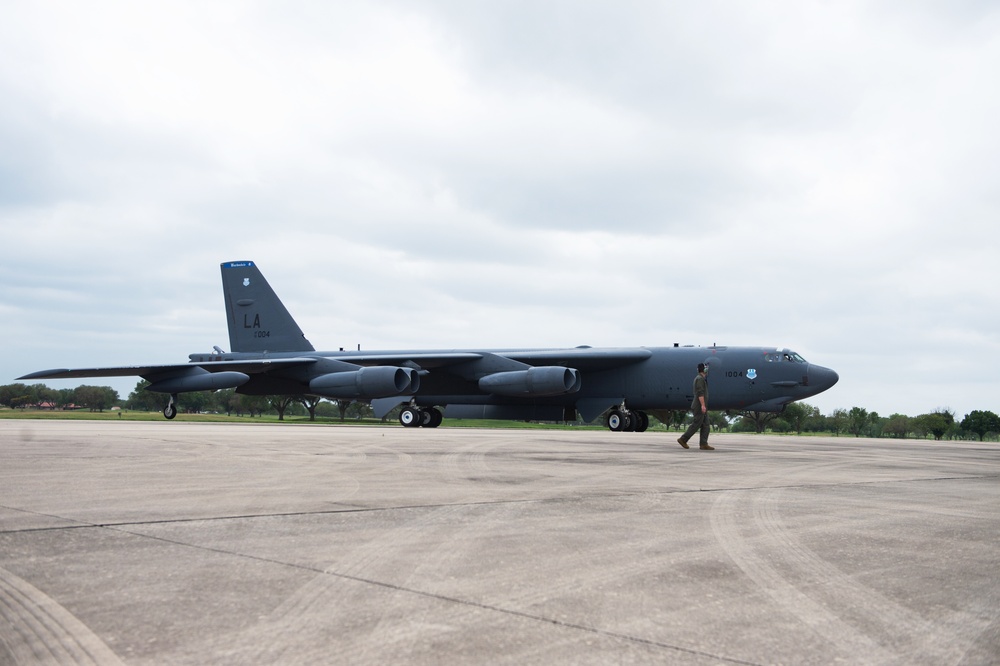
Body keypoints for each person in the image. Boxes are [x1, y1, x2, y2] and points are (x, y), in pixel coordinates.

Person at [678, 363, 714, 450]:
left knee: (706, 425)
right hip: (699, 405)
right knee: (697, 424)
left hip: (701, 405)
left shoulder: (702, 379)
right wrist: (703, 405)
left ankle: (703, 444)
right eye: (706, 369)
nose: (707, 371)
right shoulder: (699, 379)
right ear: (704, 370)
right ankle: (683, 439)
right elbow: (700, 393)